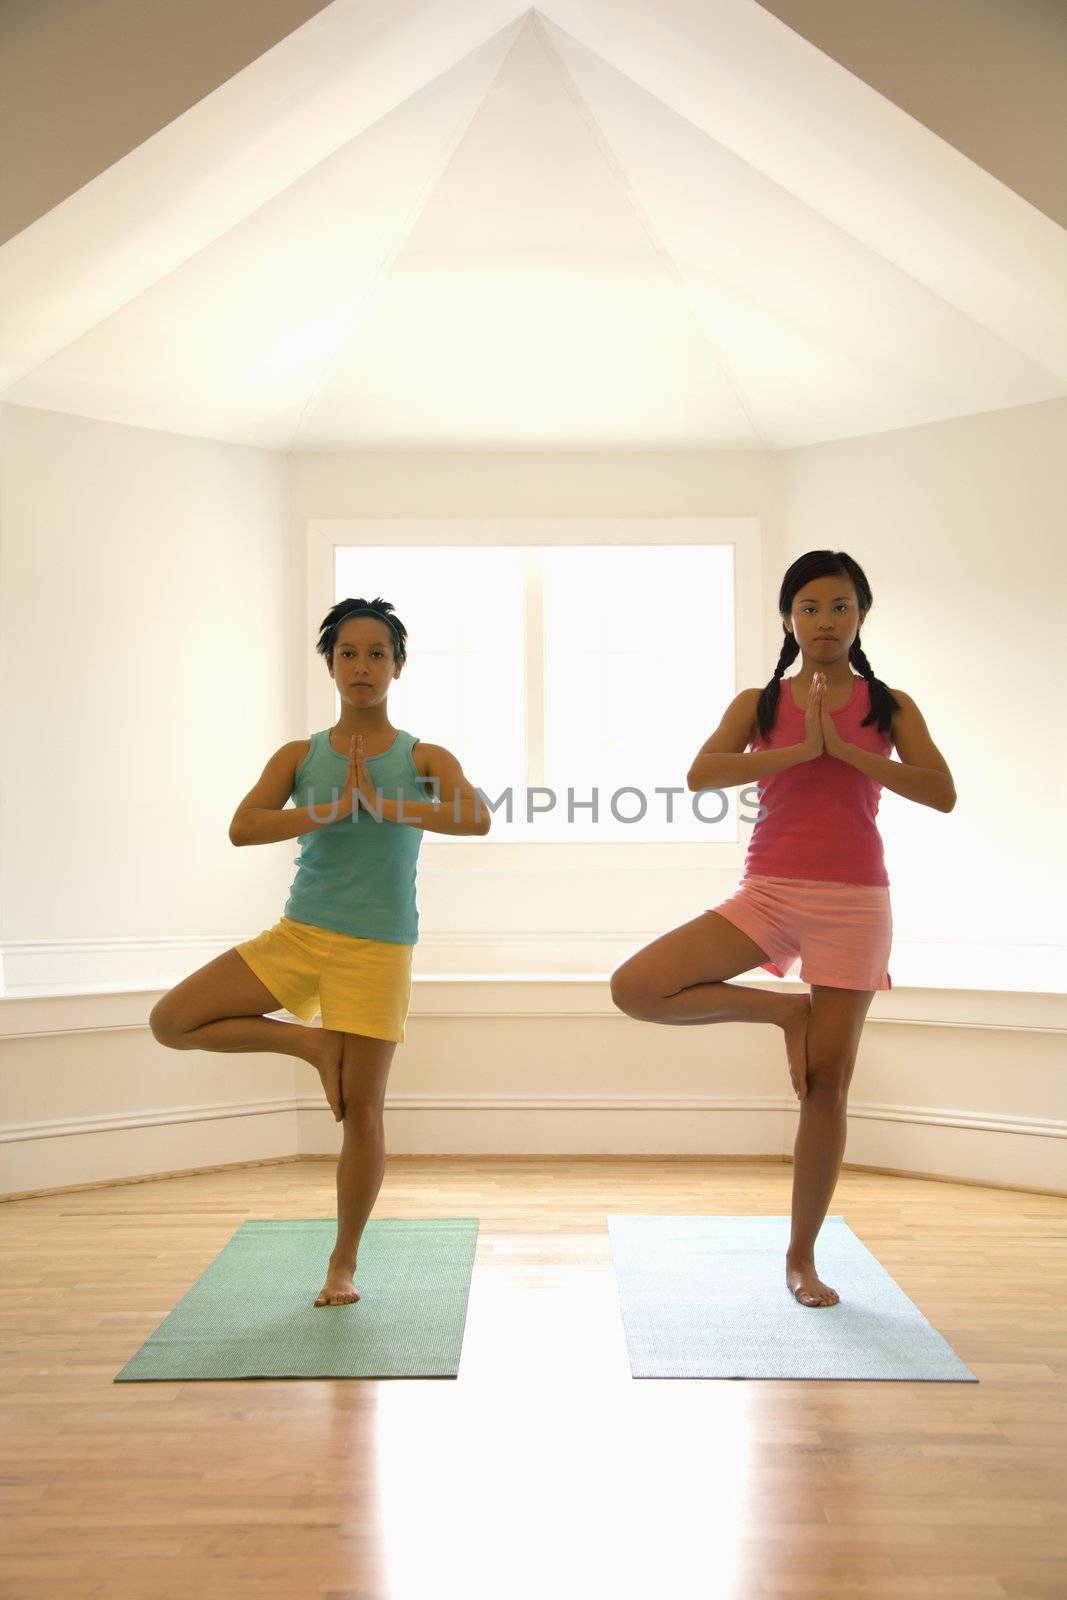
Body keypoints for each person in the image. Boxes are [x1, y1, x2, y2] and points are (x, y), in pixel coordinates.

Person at [610, 550, 956, 1308]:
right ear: (786, 617)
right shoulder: (760, 702)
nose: (823, 621)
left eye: (838, 606)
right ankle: (782, 1009)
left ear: (860, 614)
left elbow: (941, 793)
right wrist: (805, 746)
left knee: (824, 1085)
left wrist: (851, 753)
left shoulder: (888, 705)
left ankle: (801, 1259)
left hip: (856, 900)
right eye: (808, 607)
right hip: (768, 890)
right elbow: (702, 774)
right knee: (636, 986)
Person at [148, 597, 490, 1309]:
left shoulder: (421, 756)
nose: (361, 667)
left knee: (360, 1113)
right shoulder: (299, 756)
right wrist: (330, 810)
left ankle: (342, 1266)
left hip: (377, 949)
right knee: (172, 1020)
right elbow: (244, 827)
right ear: (329, 665)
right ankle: (309, 1047)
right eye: (347, 654)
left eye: (375, 654)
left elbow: (475, 817)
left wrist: (386, 805)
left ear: (397, 666)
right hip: (299, 934)